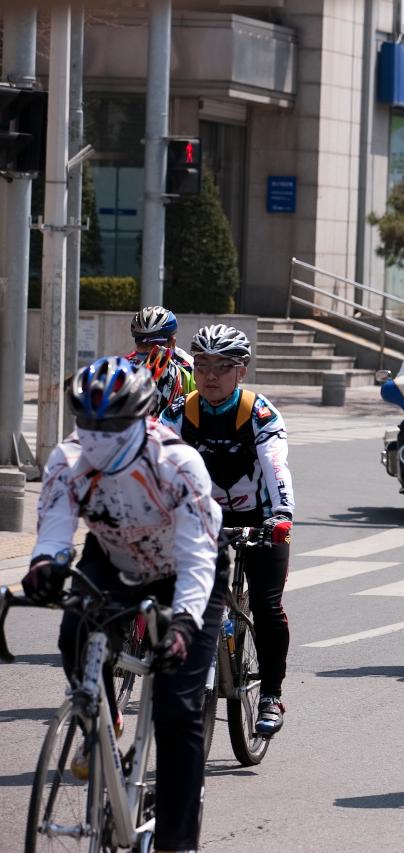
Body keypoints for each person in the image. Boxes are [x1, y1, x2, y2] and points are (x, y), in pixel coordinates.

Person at [24, 357, 223, 853]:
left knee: (177, 710)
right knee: (72, 632)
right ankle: (102, 720)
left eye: (110, 424)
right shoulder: (67, 460)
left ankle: (178, 841)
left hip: (184, 571)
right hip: (111, 558)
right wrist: (45, 567)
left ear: (140, 419)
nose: (96, 435)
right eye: (87, 422)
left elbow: (199, 557)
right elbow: (53, 530)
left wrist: (182, 625)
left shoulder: (176, 463)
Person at [160, 324, 294, 738]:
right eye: (202, 365)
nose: (211, 375)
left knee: (268, 607)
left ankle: (271, 694)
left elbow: (275, 464)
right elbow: (157, 461)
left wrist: (282, 514)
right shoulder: (181, 411)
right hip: (203, 519)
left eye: (223, 366)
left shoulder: (259, 413)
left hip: (260, 516)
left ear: (243, 371)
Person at [129, 305, 194, 371]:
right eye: (142, 344)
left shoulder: (189, 367)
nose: (149, 350)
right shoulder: (128, 364)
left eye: (156, 343)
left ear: (172, 344)